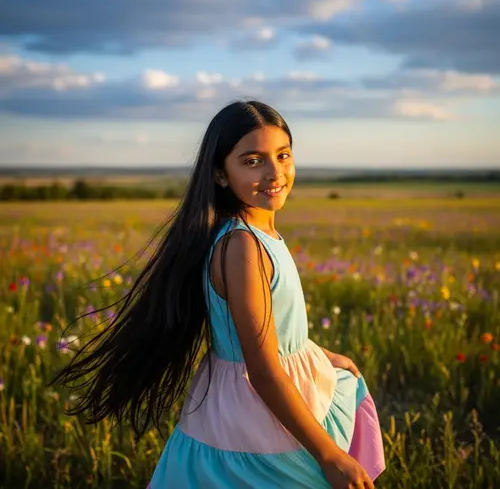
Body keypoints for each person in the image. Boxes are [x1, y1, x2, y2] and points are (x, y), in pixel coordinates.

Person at [52, 100, 385, 488]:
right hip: (254, 417)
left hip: (263, 393)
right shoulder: (243, 246)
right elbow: (261, 370)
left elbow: (267, 331)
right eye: (252, 161)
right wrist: (329, 455)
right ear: (221, 176)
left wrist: (323, 356)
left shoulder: (257, 234)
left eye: (283, 155)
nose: (275, 172)